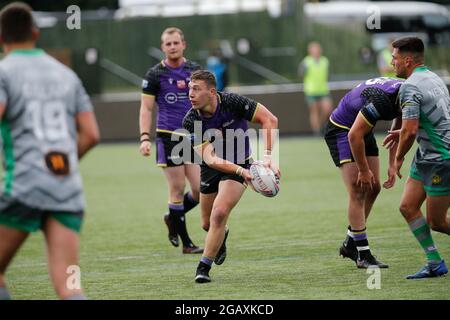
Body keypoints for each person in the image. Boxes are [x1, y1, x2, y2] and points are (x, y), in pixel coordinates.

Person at [0, 2, 100, 300]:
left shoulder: (5, 72)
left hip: (24, 185)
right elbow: (91, 134)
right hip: (65, 187)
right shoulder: (66, 75)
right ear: (36, 32)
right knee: (69, 286)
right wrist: (63, 163)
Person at [182, 70, 280, 283]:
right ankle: (221, 235)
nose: (191, 94)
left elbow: (269, 119)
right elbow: (209, 159)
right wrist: (240, 171)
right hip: (213, 166)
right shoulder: (191, 120)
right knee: (208, 224)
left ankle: (203, 268)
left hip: (241, 162)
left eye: (196, 89)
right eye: (190, 89)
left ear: (211, 91)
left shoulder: (232, 101)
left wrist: (268, 157)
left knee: (219, 214)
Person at [384, 36, 449, 279]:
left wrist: (397, 157)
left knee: (437, 222)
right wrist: (405, 131)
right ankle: (435, 262)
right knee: (408, 207)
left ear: (408, 61)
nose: (393, 62)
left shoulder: (410, 87)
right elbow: (431, 118)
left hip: (440, 159)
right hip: (426, 155)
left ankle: (434, 262)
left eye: (395, 58)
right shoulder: (432, 77)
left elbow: (410, 130)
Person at [324, 76, 404, 269]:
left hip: (361, 129)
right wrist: (363, 170)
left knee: (374, 187)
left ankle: (351, 242)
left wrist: (392, 164)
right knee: (359, 190)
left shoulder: (409, 95)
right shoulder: (381, 100)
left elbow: (399, 127)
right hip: (343, 130)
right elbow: (353, 135)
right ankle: (363, 254)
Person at [139, 27, 203, 254]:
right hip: (168, 136)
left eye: (176, 43)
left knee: (198, 190)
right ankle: (187, 243)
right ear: (162, 47)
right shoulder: (155, 75)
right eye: (168, 44)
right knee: (177, 188)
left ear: (184, 44)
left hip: (193, 136)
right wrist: (145, 137)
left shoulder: (195, 70)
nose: (173, 47)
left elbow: (207, 100)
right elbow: (146, 109)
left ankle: (172, 218)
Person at [299, 41, 333, 135]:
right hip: (311, 91)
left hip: (323, 90)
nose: (316, 51)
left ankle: (322, 126)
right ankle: (317, 131)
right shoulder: (306, 62)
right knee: (315, 111)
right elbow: (301, 74)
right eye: (314, 49)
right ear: (310, 51)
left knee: (327, 109)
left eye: (317, 48)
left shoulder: (325, 61)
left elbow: (328, 74)